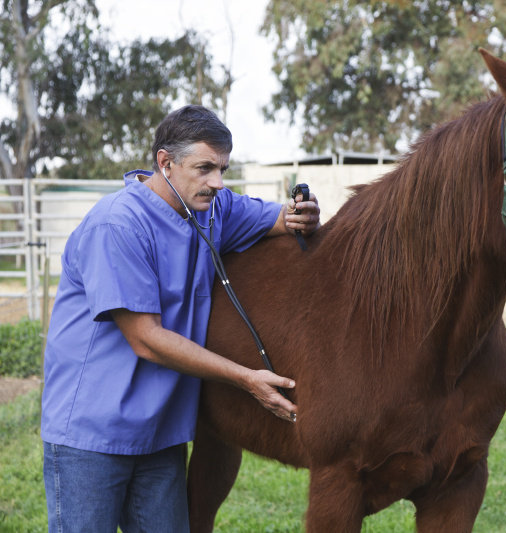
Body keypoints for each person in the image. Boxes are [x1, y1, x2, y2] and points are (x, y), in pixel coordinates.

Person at [40, 105, 320, 532]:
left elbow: (280, 219)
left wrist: (302, 215)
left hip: (160, 435)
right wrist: (247, 378)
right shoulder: (117, 225)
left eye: (223, 168)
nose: (217, 182)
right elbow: (146, 339)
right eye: (205, 168)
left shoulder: (212, 210)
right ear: (165, 162)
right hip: (92, 436)